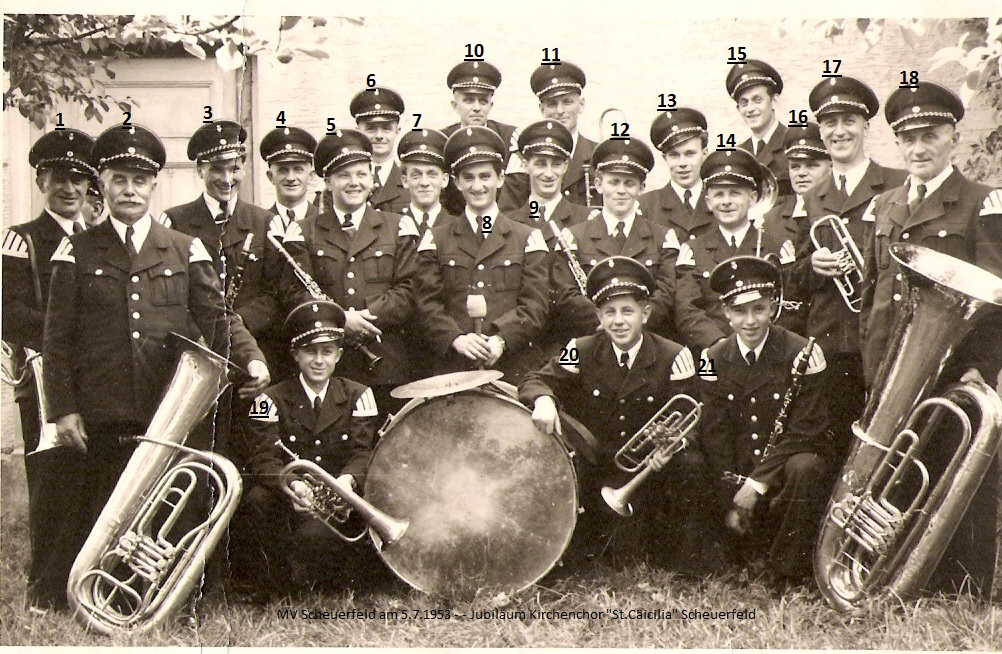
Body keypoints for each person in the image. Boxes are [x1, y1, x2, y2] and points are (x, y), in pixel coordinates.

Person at [41, 124, 269, 611]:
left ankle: (170, 596)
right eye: (119, 179)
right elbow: (55, 340)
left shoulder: (185, 247)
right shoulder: (76, 252)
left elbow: (217, 317)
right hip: (103, 408)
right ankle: (104, 594)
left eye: (140, 181)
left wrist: (250, 357)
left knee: (171, 507)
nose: (129, 190)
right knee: (103, 506)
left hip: (168, 404)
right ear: (100, 183)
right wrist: (62, 408)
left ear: (154, 186)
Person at [859, 80, 1002, 600]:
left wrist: (982, 368)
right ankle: (894, 576)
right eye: (907, 138)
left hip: (953, 365)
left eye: (930, 135)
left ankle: (961, 583)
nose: (918, 148)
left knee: (949, 467)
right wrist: (875, 364)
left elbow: (996, 295)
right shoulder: (887, 204)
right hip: (895, 363)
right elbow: (878, 293)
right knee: (892, 471)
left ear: (954, 138)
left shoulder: (981, 202)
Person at [520, 256, 723, 572]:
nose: (618, 321)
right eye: (609, 312)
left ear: (645, 314)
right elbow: (536, 380)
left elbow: (689, 415)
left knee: (691, 465)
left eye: (628, 311)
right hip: (598, 463)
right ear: (598, 316)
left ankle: (685, 562)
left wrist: (672, 445)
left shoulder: (675, 354)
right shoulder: (581, 348)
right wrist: (544, 400)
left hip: (649, 469)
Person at [230, 299, 381, 599]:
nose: (318, 360)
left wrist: (346, 483)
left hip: (339, 498)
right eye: (310, 351)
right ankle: (274, 585)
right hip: (292, 495)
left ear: (339, 355)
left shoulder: (360, 395)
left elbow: (363, 454)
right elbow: (262, 458)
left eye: (327, 352)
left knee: (317, 537)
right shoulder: (269, 399)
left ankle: (331, 584)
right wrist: (294, 485)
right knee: (257, 501)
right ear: (295, 355)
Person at [2, 128, 94, 610]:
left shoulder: (97, 237)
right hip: (42, 377)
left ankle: (87, 581)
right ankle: (46, 590)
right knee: (51, 482)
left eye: (79, 180)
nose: (70, 189)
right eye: (60, 178)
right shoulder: (23, 238)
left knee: (92, 480)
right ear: (41, 180)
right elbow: (10, 312)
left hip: (95, 380)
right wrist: (73, 337)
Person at [697, 255, 830, 590]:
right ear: (726, 313)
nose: (750, 321)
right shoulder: (711, 359)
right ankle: (727, 552)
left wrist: (756, 485)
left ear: (773, 307)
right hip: (737, 469)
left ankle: (785, 571)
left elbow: (806, 430)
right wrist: (732, 496)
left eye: (759, 309)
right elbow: (714, 434)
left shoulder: (802, 352)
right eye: (740, 311)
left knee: (807, 466)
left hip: (780, 470)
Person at [794, 77, 906, 466]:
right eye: (829, 123)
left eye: (849, 121)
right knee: (832, 452)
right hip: (828, 344)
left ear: (865, 126)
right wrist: (812, 265)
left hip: (881, 339)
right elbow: (791, 277)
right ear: (821, 131)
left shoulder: (898, 183)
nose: (839, 131)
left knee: (886, 448)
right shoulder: (810, 198)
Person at [297, 128, 424, 415]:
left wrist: (364, 318)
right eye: (343, 175)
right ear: (328, 182)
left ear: (372, 178)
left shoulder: (399, 226)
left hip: (387, 366)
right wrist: (341, 320)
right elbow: (297, 293)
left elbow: (409, 289)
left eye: (361, 174)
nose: (354, 183)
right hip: (329, 368)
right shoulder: (305, 232)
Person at [417, 126, 548, 384]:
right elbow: (426, 304)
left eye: (485, 176)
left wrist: (502, 339)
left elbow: (536, 305)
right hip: (454, 370)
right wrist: (456, 339)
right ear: (456, 182)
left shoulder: (528, 238)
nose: (477, 186)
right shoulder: (436, 238)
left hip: (513, 368)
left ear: (500, 179)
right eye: (469, 177)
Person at [548, 137, 681, 345]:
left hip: (647, 342)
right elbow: (567, 294)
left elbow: (666, 293)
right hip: (592, 341)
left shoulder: (663, 238)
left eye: (629, 183)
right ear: (599, 185)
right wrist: (607, 323)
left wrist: (633, 326)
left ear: (641, 187)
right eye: (614, 182)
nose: (621, 191)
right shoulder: (573, 238)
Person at [674, 148, 796, 341]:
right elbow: (687, 310)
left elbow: (790, 306)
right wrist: (719, 344)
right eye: (719, 195)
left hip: (768, 352)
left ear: (753, 198)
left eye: (735, 194)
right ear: (708, 201)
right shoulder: (692, 250)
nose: (726, 202)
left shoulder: (777, 247)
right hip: (714, 351)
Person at [395, 128, 460, 380]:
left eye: (432, 174)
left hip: (444, 349)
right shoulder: (391, 226)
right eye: (416, 174)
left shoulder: (456, 227)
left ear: (445, 180)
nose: (424, 182)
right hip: (402, 347)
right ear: (404, 180)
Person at [760, 122, 832, 334]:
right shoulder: (770, 218)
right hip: (785, 328)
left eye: (811, 165)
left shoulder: (836, 212)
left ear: (831, 165)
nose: (801, 173)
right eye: (795, 166)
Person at [440, 59, 527, 214]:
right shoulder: (442, 141)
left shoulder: (510, 139)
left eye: (483, 101)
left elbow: (519, 194)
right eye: (468, 100)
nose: (477, 108)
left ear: (490, 105)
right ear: (455, 105)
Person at [638, 107, 716, 254]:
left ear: (704, 154)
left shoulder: (721, 201)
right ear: (664, 158)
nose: (682, 163)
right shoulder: (646, 206)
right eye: (674, 155)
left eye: (690, 154)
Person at [530, 60, 596, 207]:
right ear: (542, 109)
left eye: (567, 102)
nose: (560, 111)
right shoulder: (528, 157)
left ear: (581, 105)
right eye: (552, 104)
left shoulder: (598, 155)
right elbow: (512, 215)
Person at [725, 59, 793, 197]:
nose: (750, 109)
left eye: (757, 100)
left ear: (774, 101)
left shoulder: (792, 143)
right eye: (744, 103)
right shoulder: (738, 155)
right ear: (738, 109)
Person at [351, 86, 409, 214]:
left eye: (386, 128)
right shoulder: (346, 182)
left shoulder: (411, 182)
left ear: (397, 131)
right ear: (358, 132)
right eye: (370, 128)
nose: (379, 136)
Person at [260, 125, 319, 227]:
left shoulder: (326, 221)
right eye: (282, 170)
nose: (290, 178)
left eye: (298, 170)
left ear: (311, 175)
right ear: (270, 177)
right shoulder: (259, 223)